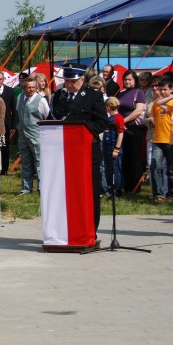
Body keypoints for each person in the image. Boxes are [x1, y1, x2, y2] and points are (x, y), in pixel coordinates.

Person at [49, 63, 110, 232]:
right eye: (66, 80)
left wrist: (83, 132)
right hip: (63, 152)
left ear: (82, 79)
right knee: (67, 192)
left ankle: (90, 229)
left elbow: (101, 123)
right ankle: (68, 227)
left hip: (87, 151)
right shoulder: (58, 96)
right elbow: (52, 120)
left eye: (72, 81)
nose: (68, 84)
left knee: (89, 192)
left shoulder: (93, 96)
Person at [16, 78, 49, 196]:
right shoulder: (20, 98)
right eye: (28, 87)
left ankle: (41, 187)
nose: (31, 90)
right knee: (26, 162)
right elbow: (18, 113)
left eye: (33, 87)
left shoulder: (41, 100)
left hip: (36, 135)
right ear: (23, 88)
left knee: (39, 162)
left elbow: (47, 116)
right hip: (23, 135)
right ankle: (26, 187)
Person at [150, 76, 173, 201]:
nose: (162, 92)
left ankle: (172, 194)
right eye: (160, 89)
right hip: (157, 139)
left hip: (170, 139)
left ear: (171, 89)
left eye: (164, 90)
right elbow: (154, 118)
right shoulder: (156, 103)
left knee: (171, 169)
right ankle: (159, 194)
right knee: (155, 167)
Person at [117, 71, 147, 194]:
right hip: (122, 129)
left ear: (135, 81)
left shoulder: (138, 93)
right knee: (124, 157)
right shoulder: (121, 93)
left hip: (134, 128)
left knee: (134, 157)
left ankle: (135, 186)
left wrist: (124, 121)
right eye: (125, 79)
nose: (127, 82)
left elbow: (138, 110)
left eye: (130, 79)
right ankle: (125, 185)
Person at [102, 97, 126, 198]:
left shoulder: (118, 118)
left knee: (116, 169)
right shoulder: (108, 118)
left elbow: (120, 134)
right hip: (107, 147)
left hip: (113, 147)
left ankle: (118, 189)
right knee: (108, 169)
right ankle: (110, 188)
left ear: (108, 107)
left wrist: (117, 149)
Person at [0, 70, 17, 175]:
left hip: (7, 124)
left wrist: (13, 125)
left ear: (3, 79)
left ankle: (4, 168)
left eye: (0, 79)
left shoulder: (10, 91)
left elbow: (14, 109)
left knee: (5, 147)